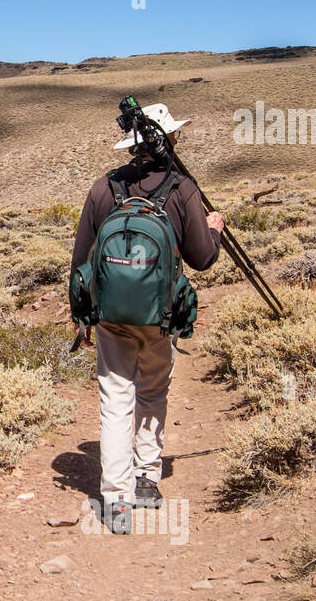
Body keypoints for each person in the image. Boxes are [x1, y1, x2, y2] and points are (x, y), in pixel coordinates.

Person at [70, 103, 224, 534]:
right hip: (159, 315)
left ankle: (114, 499)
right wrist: (214, 228)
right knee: (152, 391)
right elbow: (203, 258)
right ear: (168, 138)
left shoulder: (105, 187)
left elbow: (81, 258)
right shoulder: (183, 188)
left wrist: (80, 316)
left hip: (109, 315)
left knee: (115, 398)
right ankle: (146, 479)